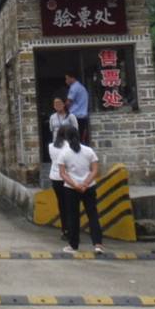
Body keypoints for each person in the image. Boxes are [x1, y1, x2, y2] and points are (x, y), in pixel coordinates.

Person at [53, 126, 104, 256]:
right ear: (79, 135)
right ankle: (98, 244)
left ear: (66, 138)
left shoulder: (63, 154)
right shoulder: (89, 151)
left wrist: (76, 185)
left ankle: (73, 245)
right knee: (92, 214)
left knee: (73, 217)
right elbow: (95, 170)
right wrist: (86, 183)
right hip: (89, 187)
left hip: (71, 189)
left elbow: (63, 174)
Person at [64, 72, 91, 144]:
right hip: (83, 116)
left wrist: (64, 110)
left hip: (75, 116)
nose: (66, 81)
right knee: (80, 137)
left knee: (72, 138)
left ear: (72, 78)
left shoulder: (74, 88)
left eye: (67, 78)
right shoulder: (81, 87)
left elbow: (68, 102)